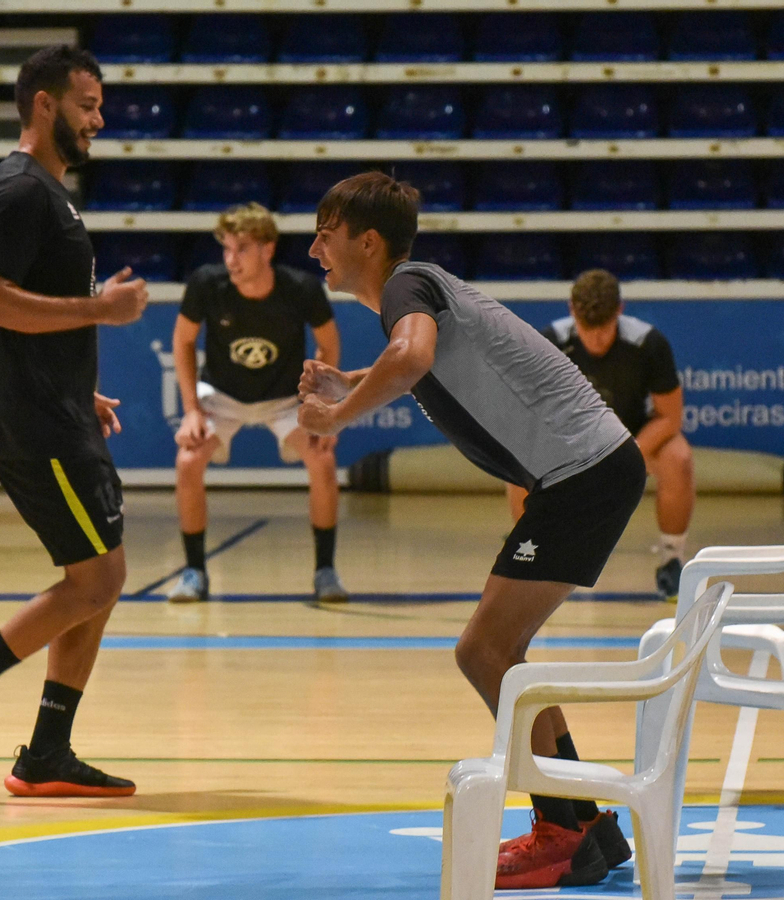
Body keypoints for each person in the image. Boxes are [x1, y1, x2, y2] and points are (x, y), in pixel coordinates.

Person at [297, 172, 641, 890]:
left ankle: (563, 829)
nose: (313, 246)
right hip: (586, 473)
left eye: (324, 233)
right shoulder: (418, 294)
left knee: (482, 649)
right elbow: (424, 362)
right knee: (501, 650)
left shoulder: (404, 287)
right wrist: (350, 379)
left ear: (367, 241)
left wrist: (337, 415)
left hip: (582, 474)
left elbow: (414, 358)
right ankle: (584, 823)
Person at [0, 46, 148, 798]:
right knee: (99, 576)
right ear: (44, 105)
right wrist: (101, 311)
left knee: (98, 577)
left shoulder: (49, 193)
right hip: (35, 424)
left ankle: (46, 752)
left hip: (58, 409)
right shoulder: (16, 190)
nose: (98, 120)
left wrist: (82, 388)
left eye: (100, 106)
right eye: (86, 105)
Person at [166, 203, 347, 603]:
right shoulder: (206, 284)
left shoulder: (299, 288)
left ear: (268, 248)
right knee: (188, 461)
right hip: (223, 397)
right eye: (226, 249)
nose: (231, 259)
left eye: (242, 248)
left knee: (323, 459)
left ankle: (325, 570)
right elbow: (182, 341)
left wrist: (323, 407)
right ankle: (195, 571)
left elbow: (329, 343)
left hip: (285, 399)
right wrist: (192, 410)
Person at [508, 269, 692, 600]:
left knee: (678, 458)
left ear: (619, 311)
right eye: (587, 329)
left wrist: (624, 455)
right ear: (571, 310)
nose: (595, 340)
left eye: (603, 330)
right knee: (518, 463)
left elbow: (670, 417)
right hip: (570, 440)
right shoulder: (548, 342)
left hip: (631, 437)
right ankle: (535, 558)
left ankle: (672, 559)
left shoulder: (649, 344)